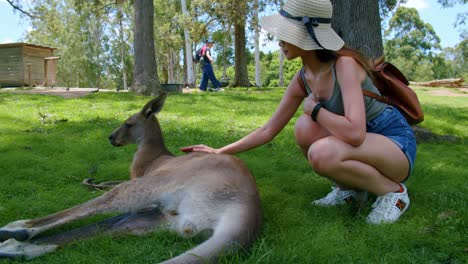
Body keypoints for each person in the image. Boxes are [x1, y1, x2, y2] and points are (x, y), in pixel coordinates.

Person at [182, 0, 416, 224]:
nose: (280, 41)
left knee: (321, 151)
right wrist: (219, 151)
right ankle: (351, 191)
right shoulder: (303, 77)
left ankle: (394, 193)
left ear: (308, 37)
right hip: (364, 144)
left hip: (393, 142)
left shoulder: (344, 65)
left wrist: (315, 110)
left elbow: (355, 133)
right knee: (303, 129)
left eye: (286, 34)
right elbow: (268, 130)